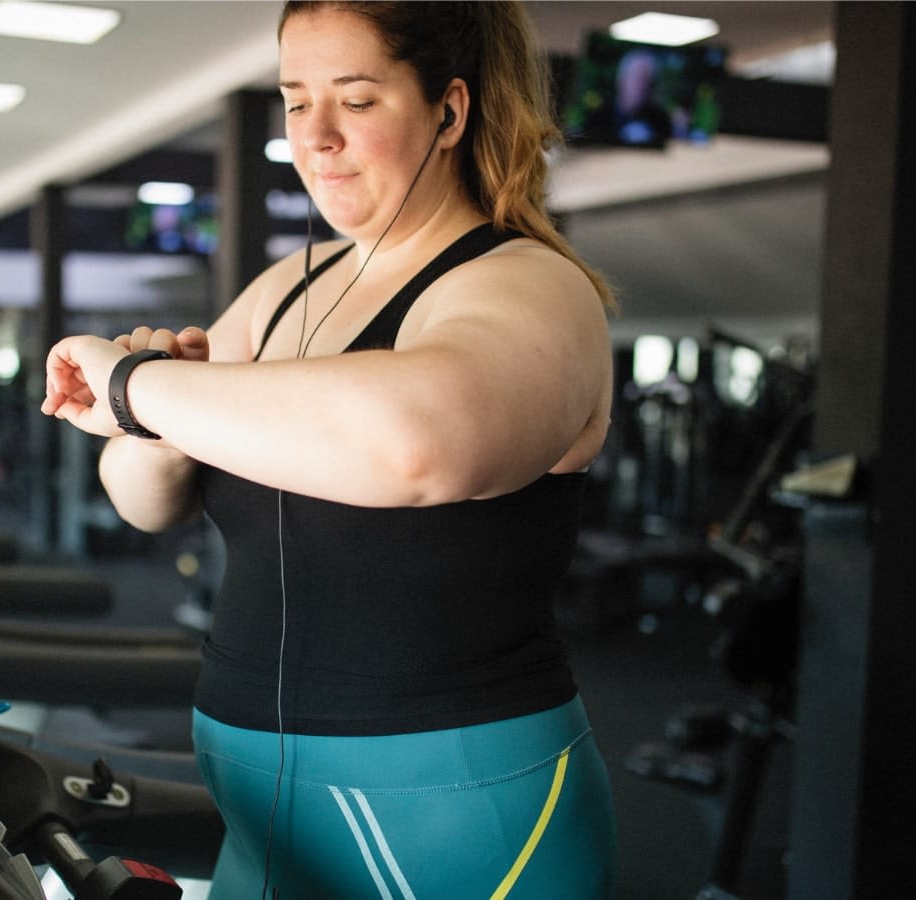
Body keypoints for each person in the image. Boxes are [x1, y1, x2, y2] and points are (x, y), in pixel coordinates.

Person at [43, 2, 616, 896]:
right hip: (260, 802)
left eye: (356, 100)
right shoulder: (285, 289)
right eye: (295, 100)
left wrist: (133, 389)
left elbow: (419, 447)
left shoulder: (532, 285)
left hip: (456, 812)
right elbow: (142, 498)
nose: (317, 138)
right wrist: (159, 418)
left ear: (449, 111)